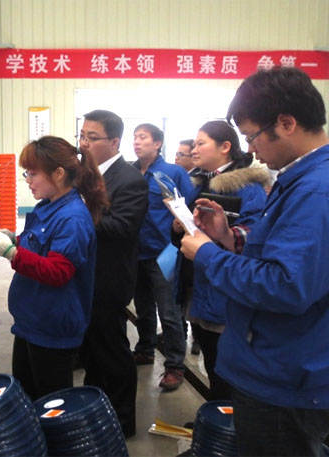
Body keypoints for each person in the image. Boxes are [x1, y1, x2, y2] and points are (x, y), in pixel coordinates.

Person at [180, 67, 329, 456]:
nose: (251, 150)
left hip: (287, 377)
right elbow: (292, 256)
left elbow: (284, 286)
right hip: (293, 362)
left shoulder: (318, 190)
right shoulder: (310, 179)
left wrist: (207, 254)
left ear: (286, 123)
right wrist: (229, 238)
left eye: (251, 136)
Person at [0, 135, 108, 401]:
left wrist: (11, 253)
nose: (28, 181)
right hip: (31, 319)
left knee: (51, 403)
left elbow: (57, 272)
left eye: (33, 174)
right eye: (26, 174)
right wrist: (14, 240)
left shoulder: (72, 218)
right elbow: (38, 246)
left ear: (59, 173)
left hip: (53, 326)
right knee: (26, 395)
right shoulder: (48, 207)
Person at [173, 120, 269, 400]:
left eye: (201, 143)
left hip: (222, 289)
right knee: (210, 358)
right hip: (198, 283)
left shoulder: (247, 188)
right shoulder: (200, 182)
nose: (194, 149)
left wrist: (219, 236)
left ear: (225, 147)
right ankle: (213, 416)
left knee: (225, 368)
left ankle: (224, 420)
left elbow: (253, 239)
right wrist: (180, 225)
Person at [78, 110, 148, 438]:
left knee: (112, 352)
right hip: (84, 275)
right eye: (82, 135)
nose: (84, 143)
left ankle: (122, 421)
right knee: (93, 352)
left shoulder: (130, 180)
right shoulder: (84, 175)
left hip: (109, 279)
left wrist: (79, 214)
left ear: (114, 142)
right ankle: (95, 410)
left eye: (92, 138)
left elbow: (122, 227)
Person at [132, 123, 195, 391]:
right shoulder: (130, 172)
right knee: (143, 307)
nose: (137, 142)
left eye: (143, 137)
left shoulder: (172, 173)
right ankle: (145, 349)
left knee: (168, 312)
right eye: (134, 137)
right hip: (135, 251)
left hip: (164, 252)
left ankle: (175, 366)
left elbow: (189, 206)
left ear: (157, 143)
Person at [173, 138, 200, 356]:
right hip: (176, 246)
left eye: (181, 155)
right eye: (177, 154)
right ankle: (180, 333)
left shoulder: (197, 185)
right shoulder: (178, 180)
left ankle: (196, 338)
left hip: (197, 250)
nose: (176, 158)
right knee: (178, 294)